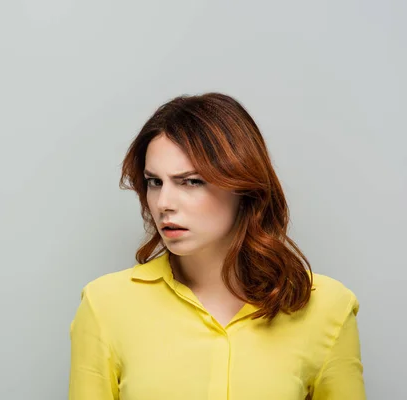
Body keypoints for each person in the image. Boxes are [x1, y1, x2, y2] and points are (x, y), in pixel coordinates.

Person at [68, 92, 365, 399]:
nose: (164, 204)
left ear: (242, 186)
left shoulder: (327, 308)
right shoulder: (104, 305)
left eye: (191, 181)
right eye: (155, 182)